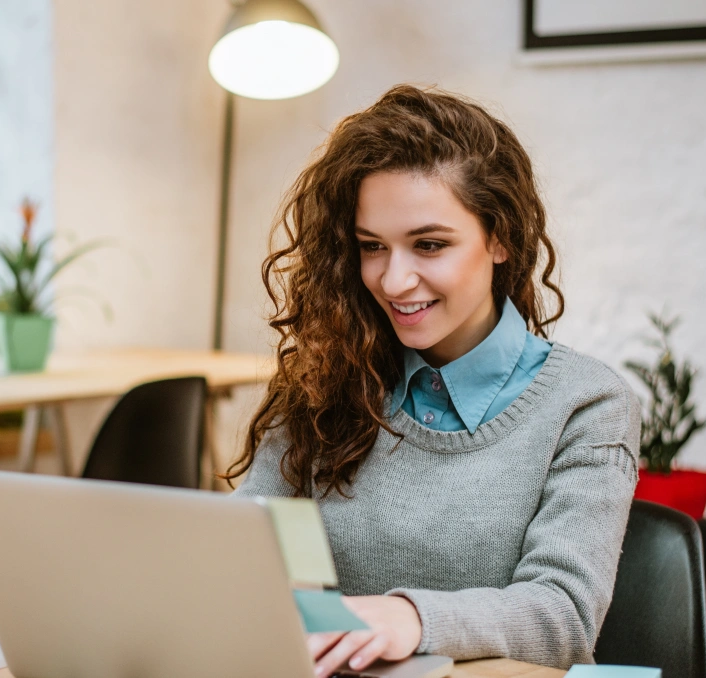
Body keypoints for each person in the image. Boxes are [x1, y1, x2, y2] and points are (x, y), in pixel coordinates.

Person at [226, 84, 641, 675]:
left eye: (429, 245)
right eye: (373, 246)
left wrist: (412, 618)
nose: (394, 281)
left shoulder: (587, 404)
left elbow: (563, 616)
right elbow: (246, 552)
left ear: (500, 238)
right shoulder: (327, 380)